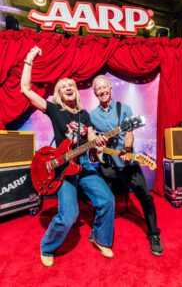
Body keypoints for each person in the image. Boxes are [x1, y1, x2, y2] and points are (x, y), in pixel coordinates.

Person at [21, 47, 115, 267]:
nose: (68, 88)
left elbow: (92, 145)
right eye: (63, 87)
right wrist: (29, 58)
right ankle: (47, 246)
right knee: (69, 215)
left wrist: (99, 144)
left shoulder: (85, 115)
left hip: (82, 164)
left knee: (107, 200)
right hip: (63, 168)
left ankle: (100, 238)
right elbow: (25, 89)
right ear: (59, 94)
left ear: (76, 90)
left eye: (70, 85)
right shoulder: (55, 109)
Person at [90, 74, 163, 256]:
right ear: (95, 92)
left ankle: (154, 234)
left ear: (110, 88)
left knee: (146, 196)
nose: (102, 91)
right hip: (106, 163)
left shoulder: (124, 109)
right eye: (98, 88)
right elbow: (92, 142)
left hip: (126, 160)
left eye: (104, 87)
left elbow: (129, 133)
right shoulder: (91, 116)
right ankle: (98, 231)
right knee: (103, 200)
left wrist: (127, 149)